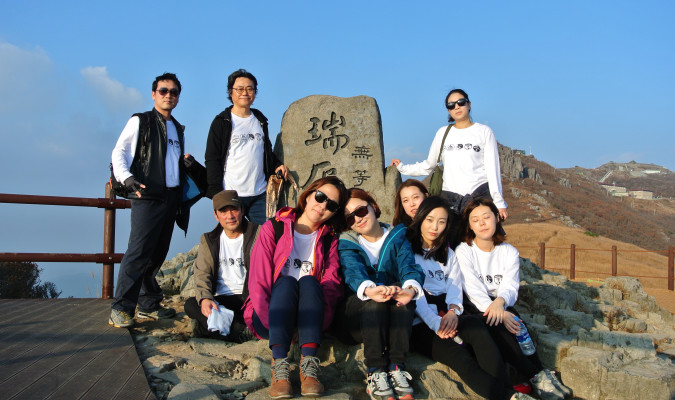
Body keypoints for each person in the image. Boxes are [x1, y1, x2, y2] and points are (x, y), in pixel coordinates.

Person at [407, 196, 535, 400]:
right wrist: (436, 323)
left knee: (477, 328)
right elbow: (415, 293)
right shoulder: (407, 252)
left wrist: (453, 311)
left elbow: (455, 288)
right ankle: (507, 396)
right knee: (461, 357)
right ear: (420, 218)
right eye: (429, 220)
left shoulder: (448, 254)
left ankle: (510, 389)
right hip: (421, 323)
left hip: (447, 315)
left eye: (442, 221)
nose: (435, 227)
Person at [456, 197, 572, 400]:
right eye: (475, 220)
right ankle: (535, 375)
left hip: (500, 302)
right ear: (469, 225)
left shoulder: (509, 252)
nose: (482, 223)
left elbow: (510, 286)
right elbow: (473, 289)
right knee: (496, 324)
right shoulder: (464, 250)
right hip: (474, 305)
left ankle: (539, 374)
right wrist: (497, 311)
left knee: (517, 324)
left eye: (486, 217)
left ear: (496, 218)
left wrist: (501, 304)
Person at [244, 176, 347, 398]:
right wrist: (275, 325)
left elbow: (332, 287)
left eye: (331, 205)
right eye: (320, 197)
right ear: (308, 195)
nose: (323, 206)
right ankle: (279, 367)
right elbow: (259, 281)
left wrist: (318, 324)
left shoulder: (329, 240)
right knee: (287, 281)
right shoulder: (274, 227)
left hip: (308, 322)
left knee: (309, 281)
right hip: (270, 317)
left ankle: (309, 367)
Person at [110, 72, 189, 328]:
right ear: (154, 94)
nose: (168, 95)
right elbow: (119, 151)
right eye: (163, 91)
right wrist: (126, 178)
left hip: (170, 197)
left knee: (157, 253)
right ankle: (121, 308)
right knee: (139, 251)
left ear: (178, 97)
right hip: (147, 194)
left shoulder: (177, 127)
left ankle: (148, 305)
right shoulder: (141, 121)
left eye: (173, 92)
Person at [391, 89, 508, 248]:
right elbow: (428, 165)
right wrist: (402, 168)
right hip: (451, 200)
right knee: (449, 247)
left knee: (486, 245)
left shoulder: (484, 132)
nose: (457, 107)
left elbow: (492, 169)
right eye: (451, 105)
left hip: (479, 197)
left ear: (469, 104)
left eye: (461, 102)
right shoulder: (443, 133)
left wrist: (499, 202)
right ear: (448, 110)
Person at [337, 188, 424, 400]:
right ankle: (375, 371)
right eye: (350, 218)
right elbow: (352, 271)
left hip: (391, 315)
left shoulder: (397, 236)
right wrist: (369, 289)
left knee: (403, 295)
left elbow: (408, 266)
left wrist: (409, 289)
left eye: (360, 211)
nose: (358, 219)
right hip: (357, 318)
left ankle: (397, 367)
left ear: (373, 207)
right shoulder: (347, 242)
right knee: (373, 302)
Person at [205, 69, 288, 225]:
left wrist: (277, 164)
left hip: (260, 193)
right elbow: (212, 159)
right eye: (240, 89)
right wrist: (217, 193)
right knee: (235, 235)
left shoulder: (260, 120)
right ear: (231, 92)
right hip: (232, 194)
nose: (245, 93)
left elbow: (265, 152)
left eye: (250, 89)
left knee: (267, 233)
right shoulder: (221, 121)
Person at [183, 190, 258, 343]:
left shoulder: (258, 233)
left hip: (251, 298)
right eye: (223, 211)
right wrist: (205, 299)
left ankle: (216, 329)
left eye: (234, 209)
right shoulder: (210, 240)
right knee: (191, 305)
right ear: (216, 215)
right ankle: (238, 330)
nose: (230, 216)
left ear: (242, 210)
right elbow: (202, 273)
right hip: (222, 300)